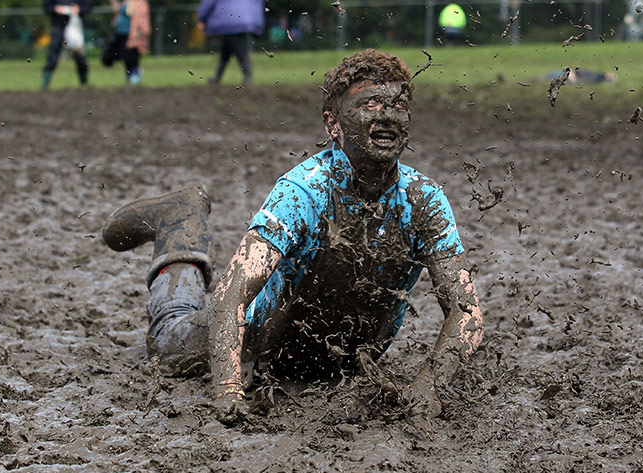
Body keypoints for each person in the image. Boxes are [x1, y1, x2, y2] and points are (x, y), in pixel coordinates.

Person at [101, 49, 484, 422]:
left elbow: (467, 314)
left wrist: (428, 388)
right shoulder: (304, 191)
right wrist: (229, 389)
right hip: (253, 343)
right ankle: (179, 223)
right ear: (333, 123)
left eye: (398, 106)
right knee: (168, 339)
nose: (386, 117)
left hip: (332, 366)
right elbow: (231, 296)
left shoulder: (424, 200)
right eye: (369, 104)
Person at [197, 0, 265, 85]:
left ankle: (248, 77)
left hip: (229, 21)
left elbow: (208, 3)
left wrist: (202, 19)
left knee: (240, 50)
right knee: (226, 50)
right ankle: (217, 78)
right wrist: (258, 25)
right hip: (246, 21)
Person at [42, 0, 92, 89]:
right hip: (58, 26)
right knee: (53, 56)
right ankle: (45, 84)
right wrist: (55, 9)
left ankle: (84, 84)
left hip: (75, 27)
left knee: (80, 56)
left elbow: (88, 6)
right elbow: (47, 6)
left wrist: (79, 9)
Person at [101, 0, 151, 85]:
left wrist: (140, 33)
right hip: (119, 32)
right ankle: (131, 77)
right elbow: (118, 10)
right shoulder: (125, 2)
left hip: (132, 34)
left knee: (131, 57)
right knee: (118, 56)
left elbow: (140, 18)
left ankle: (134, 78)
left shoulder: (140, 3)